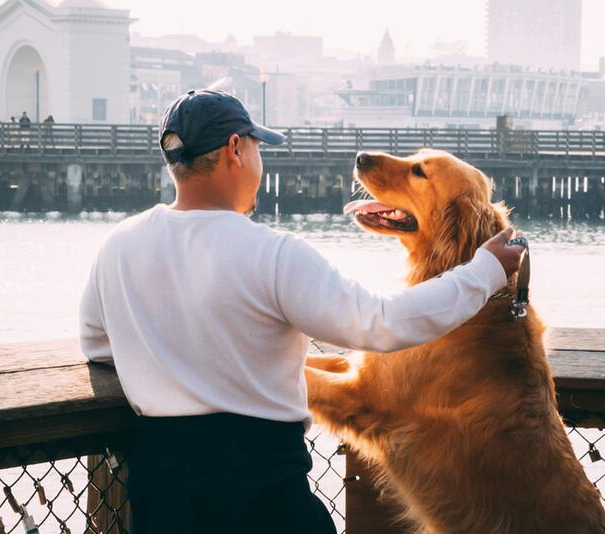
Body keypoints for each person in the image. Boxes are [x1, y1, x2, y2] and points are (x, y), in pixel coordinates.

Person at [78, 89, 526, 534]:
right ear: (237, 150)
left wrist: (174, 360)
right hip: (260, 485)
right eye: (256, 147)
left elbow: (97, 345)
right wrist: (484, 271)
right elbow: (379, 322)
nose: (259, 159)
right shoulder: (272, 253)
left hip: (162, 487)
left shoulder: (117, 246)